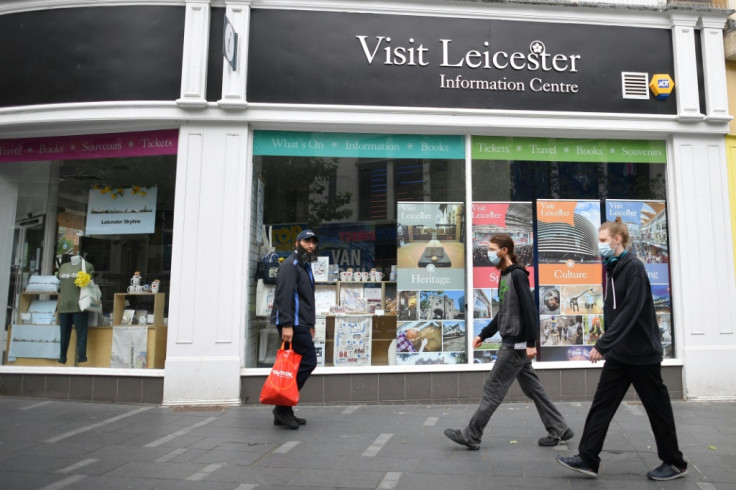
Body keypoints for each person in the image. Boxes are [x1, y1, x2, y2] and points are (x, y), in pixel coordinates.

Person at [556, 217, 687, 481]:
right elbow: (615, 314)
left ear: (618, 240)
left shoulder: (634, 268)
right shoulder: (613, 269)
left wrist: (603, 344)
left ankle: (674, 462)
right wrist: (611, 345)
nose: (600, 245)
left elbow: (630, 312)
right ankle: (588, 458)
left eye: (603, 240)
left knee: (657, 409)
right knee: (602, 404)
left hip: (642, 355)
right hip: (620, 355)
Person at [444, 234, 573, 450]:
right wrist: (483, 334)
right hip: (515, 342)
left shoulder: (517, 275)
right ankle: (559, 428)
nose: (488, 252)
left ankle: (472, 435)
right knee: (534, 389)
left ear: (504, 250)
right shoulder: (504, 276)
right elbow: (503, 312)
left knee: (493, 388)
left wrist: (531, 342)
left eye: (492, 248)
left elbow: (529, 310)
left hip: (515, 344)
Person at [269, 229, 320, 430]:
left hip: (301, 324)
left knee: (294, 368)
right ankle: (282, 408)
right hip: (292, 324)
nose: (311, 245)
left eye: (313, 242)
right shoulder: (290, 265)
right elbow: (284, 296)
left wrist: (311, 325)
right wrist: (288, 324)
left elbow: (307, 300)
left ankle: (284, 411)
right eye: (307, 241)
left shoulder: (305, 266)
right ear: (297, 244)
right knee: (309, 362)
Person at [57, 254, 93, 364]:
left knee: (81, 334)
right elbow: (58, 279)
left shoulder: (87, 266)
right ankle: (62, 357)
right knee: (64, 334)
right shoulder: (63, 267)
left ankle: (81, 357)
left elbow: (91, 283)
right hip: (64, 305)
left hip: (79, 305)